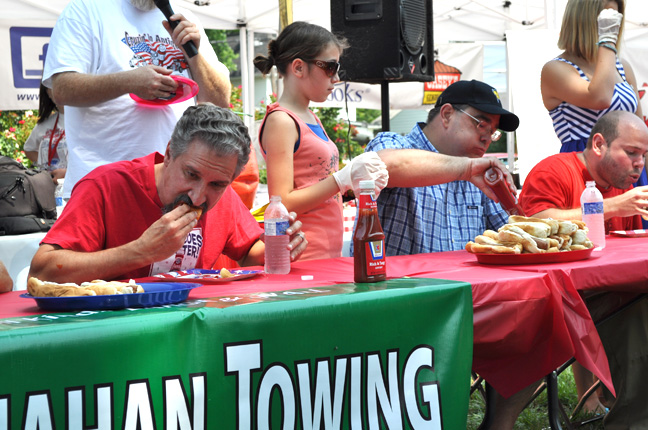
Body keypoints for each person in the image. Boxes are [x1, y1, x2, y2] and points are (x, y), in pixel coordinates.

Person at [28, 104, 307, 284]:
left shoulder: (223, 195)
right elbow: (42, 272)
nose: (198, 197)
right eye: (191, 175)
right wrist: (139, 251)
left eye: (217, 185)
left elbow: (248, 253)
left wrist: (279, 248)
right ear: (170, 153)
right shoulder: (105, 186)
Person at [519, 110, 648, 428]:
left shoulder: (620, 186)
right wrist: (613, 207)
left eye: (644, 155)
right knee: (639, 312)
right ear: (599, 144)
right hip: (553, 297)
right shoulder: (555, 170)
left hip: (611, 290)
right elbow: (531, 223)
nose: (639, 164)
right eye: (631, 152)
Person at [42, 0, 232, 199]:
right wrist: (128, 82)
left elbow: (219, 100)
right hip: (103, 189)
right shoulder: (85, 10)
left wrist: (194, 55)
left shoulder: (185, 19)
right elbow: (62, 89)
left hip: (172, 188)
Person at [253, 21, 388, 261]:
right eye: (329, 67)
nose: (336, 77)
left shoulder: (309, 116)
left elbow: (315, 185)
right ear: (298, 68)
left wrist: (351, 185)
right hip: (304, 258)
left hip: (326, 255)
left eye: (337, 68)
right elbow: (282, 202)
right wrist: (342, 180)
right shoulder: (282, 121)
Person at [363, 79, 520, 255]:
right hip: (399, 283)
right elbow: (386, 166)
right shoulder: (392, 143)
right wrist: (465, 169)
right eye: (481, 125)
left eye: (493, 132)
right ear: (447, 114)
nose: (487, 138)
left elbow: (515, 237)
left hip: (464, 282)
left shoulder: (478, 170)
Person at [541, 0, 645, 185]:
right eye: (607, 17)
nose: (613, 24)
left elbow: (640, 129)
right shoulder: (555, 69)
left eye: (616, 17)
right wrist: (607, 40)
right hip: (585, 165)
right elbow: (600, 98)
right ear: (584, 18)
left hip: (628, 166)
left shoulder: (622, 66)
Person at [24, 83, 67, 185]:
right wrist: (46, 167)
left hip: (77, 188)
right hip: (47, 188)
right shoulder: (44, 123)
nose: (60, 92)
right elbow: (29, 149)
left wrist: (68, 173)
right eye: (53, 87)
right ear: (48, 92)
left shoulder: (86, 121)